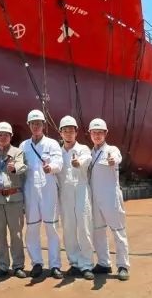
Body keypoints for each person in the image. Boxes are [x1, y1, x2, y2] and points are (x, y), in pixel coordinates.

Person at [20, 109, 64, 279]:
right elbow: (19, 165)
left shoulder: (52, 144)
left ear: (43, 125)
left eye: (38, 123)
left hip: (48, 190)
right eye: (33, 123)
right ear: (29, 125)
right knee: (32, 228)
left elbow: (59, 162)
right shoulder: (24, 146)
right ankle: (37, 263)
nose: (36, 126)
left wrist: (50, 167)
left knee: (52, 228)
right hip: (30, 191)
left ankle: (55, 265)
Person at [87, 118, 130, 281]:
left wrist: (113, 160)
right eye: (94, 133)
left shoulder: (112, 150)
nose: (97, 135)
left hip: (111, 197)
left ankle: (123, 265)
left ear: (106, 133)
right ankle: (104, 263)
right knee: (98, 231)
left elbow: (117, 158)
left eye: (100, 133)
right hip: (95, 198)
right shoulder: (90, 153)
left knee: (118, 231)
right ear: (90, 134)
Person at [0, 121, 27, 278]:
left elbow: (22, 167)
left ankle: (18, 265)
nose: (3, 137)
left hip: (14, 199)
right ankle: (2, 265)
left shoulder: (18, 153)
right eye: (0, 134)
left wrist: (14, 168)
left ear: (11, 136)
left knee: (16, 234)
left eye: (6, 135)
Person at [56, 116, 94, 280]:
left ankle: (87, 265)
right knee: (69, 229)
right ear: (60, 133)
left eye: (71, 130)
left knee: (84, 228)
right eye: (65, 130)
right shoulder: (58, 152)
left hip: (81, 190)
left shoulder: (83, 149)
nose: (68, 133)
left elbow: (87, 159)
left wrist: (78, 163)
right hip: (65, 193)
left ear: (76, 132)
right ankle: (75, 263)